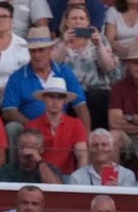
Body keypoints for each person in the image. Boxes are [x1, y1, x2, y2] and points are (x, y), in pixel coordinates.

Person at [2, 26, 91, 148]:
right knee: (12, 128)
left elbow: (80, 105)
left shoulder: (65, 72)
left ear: (51, 49)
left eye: (41, 50)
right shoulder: (18, 77)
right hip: (29, 130)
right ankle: (16, 166)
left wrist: (86, 135)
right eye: (33, 51)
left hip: (61, 126)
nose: (37, 55)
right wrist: (34, 127)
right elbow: (9, 110)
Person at [51, 1, 120, 129]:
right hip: (70, 92)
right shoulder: (59, 43)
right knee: (69, 100)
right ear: (67, 22)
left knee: (97, 98)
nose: (78, 21)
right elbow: (52, 65)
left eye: (82, 18)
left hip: (96, 91)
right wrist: (64, 44)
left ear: (88, 22)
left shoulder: (100, 40)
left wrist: (98, 45)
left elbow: (109, 67)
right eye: (74, 18)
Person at [27, 75, 87, 174]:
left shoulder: (76, 124)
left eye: (60, 97)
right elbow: (30, 159)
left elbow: (82, 155)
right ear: (44, 98)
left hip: (67, 177)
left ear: (64, 101)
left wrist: (80, 182)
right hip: (40, 177)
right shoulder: (32, 125)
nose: (55, 101)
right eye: (51, 96)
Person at [67, 127, 138, 186]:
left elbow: (128, 202)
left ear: (111, 148)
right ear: (89, 150)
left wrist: (117, 191)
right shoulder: (77, 177)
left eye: (104, 145)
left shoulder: (127, 175)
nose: (100, 148)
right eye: (95, 145)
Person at [0, 127, 65, 183]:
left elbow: (55, 187)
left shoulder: (51, 169)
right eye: (22, 147)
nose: (26, 152)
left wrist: (39, 160)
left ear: (41, 149)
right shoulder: (6, 170)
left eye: (31, 147)